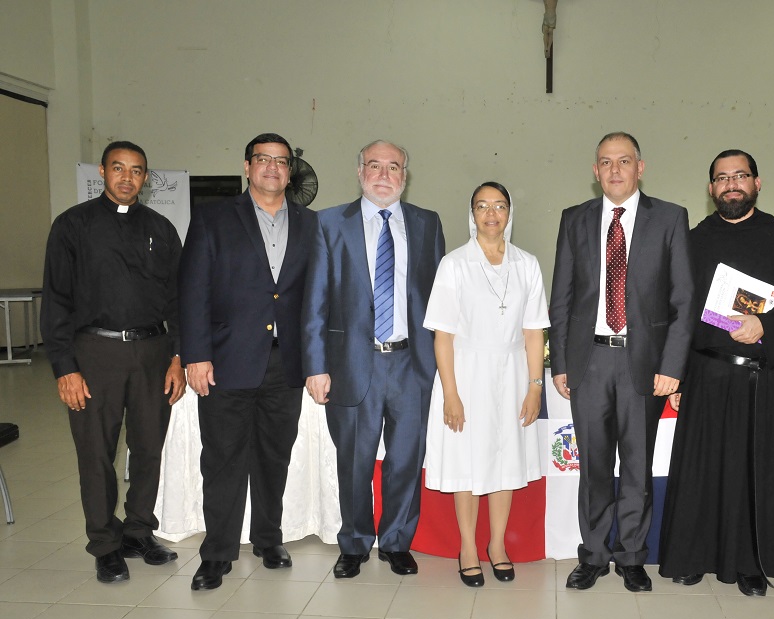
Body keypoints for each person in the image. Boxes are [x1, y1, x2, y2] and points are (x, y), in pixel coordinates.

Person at [657, 150, 774, 597]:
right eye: (722, 178)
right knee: (701, 471)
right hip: (706, 374)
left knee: (753, 473)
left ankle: (751, 563)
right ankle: (693, 556)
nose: (731, 184)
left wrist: (766, 326)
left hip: (763, 378)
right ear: (711, 189)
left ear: (757, 183)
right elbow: (675, 312)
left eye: (740, 175)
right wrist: (677, 373)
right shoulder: (692, 241)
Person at [549, 131, 694, 592]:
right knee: (593, 466)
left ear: (640, 167)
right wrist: (560, 362)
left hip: (644, 364)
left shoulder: (670, 218)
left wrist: (672, 366)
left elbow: (684, 300)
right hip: (588, 361)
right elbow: (562, 297)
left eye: (624, 161)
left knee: (636, 465)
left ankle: (632, 555)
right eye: (606, 162)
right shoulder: (574, 218)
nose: (615, 170)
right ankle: (593, 554)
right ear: (595, 171)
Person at [40, 140, 184, 583]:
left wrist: (178, 356)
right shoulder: (72, 226)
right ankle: (105, 544)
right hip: (94, 353)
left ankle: (138, 531)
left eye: (136, 170)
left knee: (148, 448)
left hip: (153, 353)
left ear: (146, 178)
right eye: (118, 168)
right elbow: (56, 300)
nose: (127, 177)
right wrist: (65, 367)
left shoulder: (161, 228)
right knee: (96, 452)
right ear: (102, 172)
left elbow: (178, 300)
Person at [179, 133, 317, 590]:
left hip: (286, 363)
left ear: (290, 171)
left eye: (281, 161)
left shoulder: (311, 223)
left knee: (274, 457)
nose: (273, 168)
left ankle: (268, 538)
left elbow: (317, 296)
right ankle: (217, 552)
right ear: (247, 166)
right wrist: (196, 355)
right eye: (263, 159)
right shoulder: (213, 218)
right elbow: (193, 290)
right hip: (226, 360)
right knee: (223, 460)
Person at [303, 140, 445, 579]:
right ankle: (354, 542)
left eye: (394, 167)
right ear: (360, 171)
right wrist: (315, 366)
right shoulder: (329, 222)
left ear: (405, 175)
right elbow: (315, 301)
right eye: (375, 166)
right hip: (351, 364)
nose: (384, 175)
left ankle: (397, 541)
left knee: (406, 459)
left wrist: (443, 366)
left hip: (412, 364)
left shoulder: (426, 223)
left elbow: (441, 301)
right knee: (354, 461)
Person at [423, 182, 549, 587]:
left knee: (504, 459)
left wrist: (534, 387)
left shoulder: (527, 264)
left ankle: (497, 545)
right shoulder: (454, 264)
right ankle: (467, 548)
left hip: (512, 374)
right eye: (482, 206)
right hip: (466, 373)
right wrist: (451, 393)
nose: (491, 214)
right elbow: (442, 337)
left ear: (510, 213)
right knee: (468, 461)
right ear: (472, 214)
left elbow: (534, 332)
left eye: (499, 206)